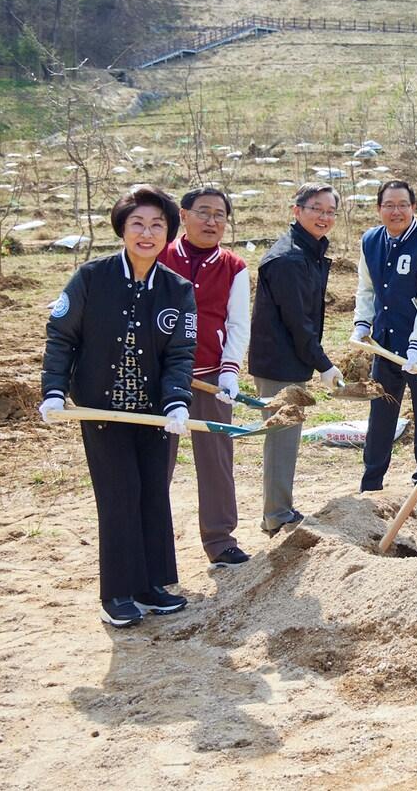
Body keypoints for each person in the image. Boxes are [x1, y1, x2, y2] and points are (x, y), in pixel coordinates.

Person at [39, 184, 197, 628]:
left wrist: (177, 402)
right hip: (101, 412)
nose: (146, 233)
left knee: (152, 494)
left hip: (154, 415)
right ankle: (118, 593)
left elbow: (181, 352)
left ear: (168, 233)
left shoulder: (178, 289)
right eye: (137, 225)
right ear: (122, 230)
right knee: (119, 495)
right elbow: (62, 335)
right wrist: (53, 389)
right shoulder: (92, 277)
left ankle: (151, 585)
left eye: (156, 225)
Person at [159, 187, 251, 569]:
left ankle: (220, 539)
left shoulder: (233, 266)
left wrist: (230, 369)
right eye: (203, 212)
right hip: (159, 377)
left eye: (220, 215)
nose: (212, 221)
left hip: (210, 376)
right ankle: (154, 543)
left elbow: (237, 323)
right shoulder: (159, 256)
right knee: (155, 461)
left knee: (216, 458)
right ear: (183, 215)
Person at [249, 182, 343, 537]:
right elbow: (298, 323)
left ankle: (278, 510)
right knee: (282, 437)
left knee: (285, 436)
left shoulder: (309, 252)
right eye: (316, 208)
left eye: (330, 211)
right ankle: (277, 515)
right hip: (279, 362)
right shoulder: (289, 258)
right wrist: (324, 364)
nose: (324, 216)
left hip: (290, 358)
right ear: (297, 211)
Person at [353, 180, 417, 491]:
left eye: (402, 205)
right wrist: (362, 324)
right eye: (389, 205)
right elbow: (366, 289)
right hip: (385, 345)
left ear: (414, 208)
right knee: (381, 413)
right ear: (379, 208)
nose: (396, 211)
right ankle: (372, 482)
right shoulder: (371, 241)